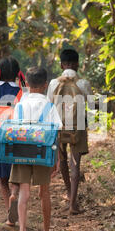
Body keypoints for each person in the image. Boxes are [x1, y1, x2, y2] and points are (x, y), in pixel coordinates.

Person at [9, 67, 62, 231]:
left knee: (24, 193)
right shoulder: (49, 106)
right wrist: (57, 158)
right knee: (44, 193)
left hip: (22, 151)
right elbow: (56, 133)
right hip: (43, 152)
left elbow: (14, 129)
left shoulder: (20, 105)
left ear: (27, 85)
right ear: (46, 85)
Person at [47, 49, 92, 215]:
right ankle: (73, 203)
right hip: (78, 125)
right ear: (78, 63)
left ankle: (67, 193)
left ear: (61, 64)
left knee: (62, 160)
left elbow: (49, 104)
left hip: (58, 126)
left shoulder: (53, 83)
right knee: (75, 163)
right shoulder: (83, 83)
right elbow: (93, 104)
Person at [0, 56, 25, 226]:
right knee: (15, 174)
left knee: (2, 178)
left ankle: (10, 213)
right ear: (17, 73)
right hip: (16, 138)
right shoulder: (23, 93)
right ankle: (15, 194)